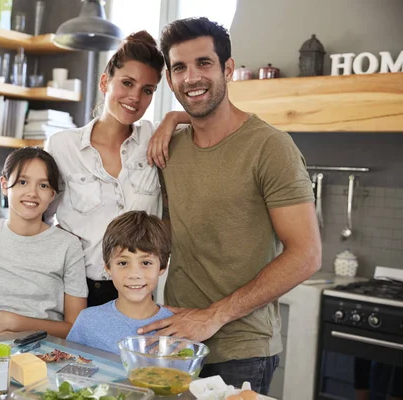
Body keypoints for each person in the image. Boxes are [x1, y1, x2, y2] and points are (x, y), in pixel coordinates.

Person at [138, 17, 322, 395]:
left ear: (228, 68)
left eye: (203, 63)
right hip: (176, 342)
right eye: (179, 68)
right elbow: (174, 231)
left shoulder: (270, 148)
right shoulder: (171, 148)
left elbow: (307, 255)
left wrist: (213, 316)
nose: (191, 78)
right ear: (170, 80)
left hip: (242, 349)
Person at [0, 31, 190, 307]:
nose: (135, 98)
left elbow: (212, 116)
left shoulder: (157, 137)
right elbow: (36, 221)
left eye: (147, 90)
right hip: (79, 291)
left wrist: (173, 118)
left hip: (144, 293)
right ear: (105, 82)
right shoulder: (62, 146)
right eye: (127, 83)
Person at [0, 147, 87, 339]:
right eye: (22, 182)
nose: (32, 193)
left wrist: (14, 322)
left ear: (53, 194)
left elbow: (73, 328)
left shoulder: (68, 246)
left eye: (43, 185)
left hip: (46, 351)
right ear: (4, 185)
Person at [66, 210, 173, 355]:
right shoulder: (88, 321)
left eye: (146, 263)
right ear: (108, 267)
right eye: (123, 263)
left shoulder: (174, 326)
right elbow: (71, 369)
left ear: (162, 266)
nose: (134, 274)